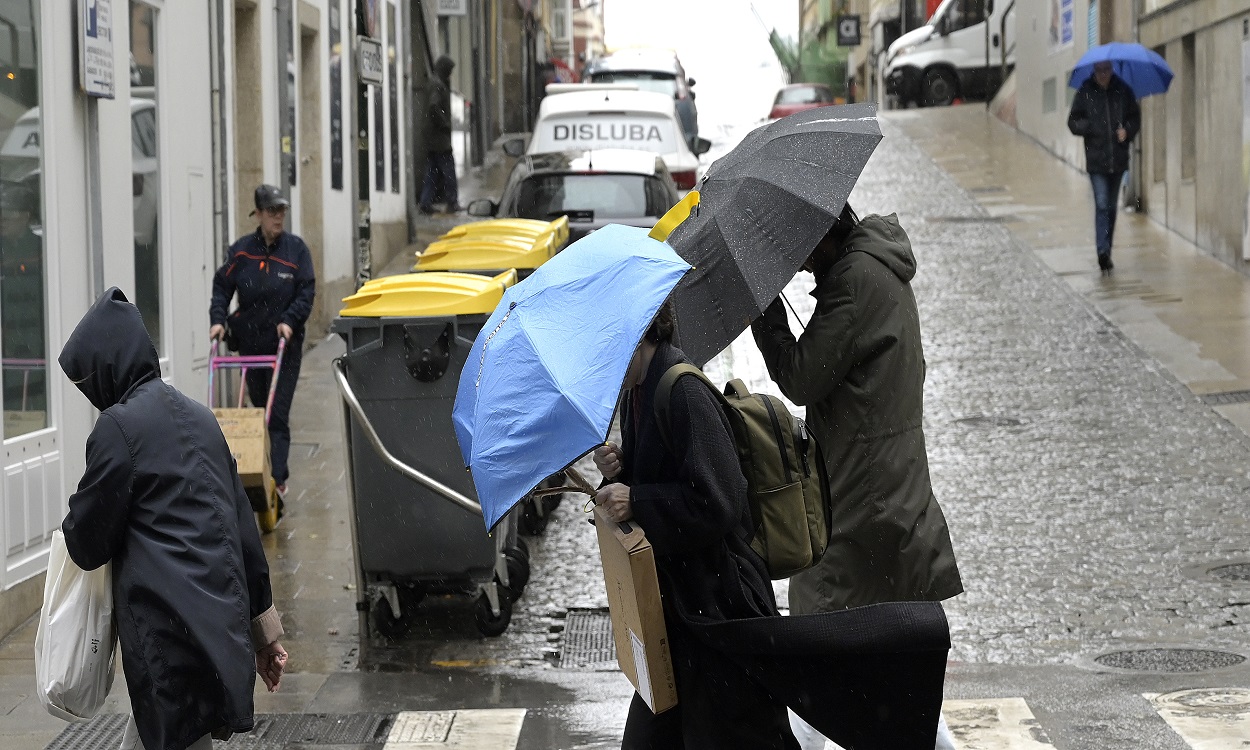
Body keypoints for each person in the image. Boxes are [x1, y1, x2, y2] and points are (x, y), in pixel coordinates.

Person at [751, 205, 964, 750]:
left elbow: (801, 376)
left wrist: (764, 308)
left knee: (817, 643)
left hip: (859, 498)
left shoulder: (853, 279)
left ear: (824, 236)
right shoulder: (875, 268)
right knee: (890, 673)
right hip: (887, 485)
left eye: (800, 252)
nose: (799, 268)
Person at [59, 288, 287, 750]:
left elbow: (88, 543)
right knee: (177, 736)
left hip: (167, 632)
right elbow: (244, 530)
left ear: (106, 368)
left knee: (170, 731)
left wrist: (71, 526)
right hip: (218, 628)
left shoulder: (118, 429)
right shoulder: (201, 418)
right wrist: (265, 634)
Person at [593, 304, 800, 750]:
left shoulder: (683, 390)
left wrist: (638, 500)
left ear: (637, 334)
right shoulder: (637, 391)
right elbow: (663, 474)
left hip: (717, 609)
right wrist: (619, 472)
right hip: (676, 613)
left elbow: (718, 501)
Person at [211, 184, 315, 502]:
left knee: (276, 414)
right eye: (272, 211)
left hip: (284, 346)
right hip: (251, 345)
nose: (278, 217)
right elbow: (221, 285)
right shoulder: (241, 251)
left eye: (281, 210)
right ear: (258, 214)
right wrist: (218, 319)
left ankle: (277, 479)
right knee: (257, 412)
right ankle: (253, 469)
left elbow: (307, 290)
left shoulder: (296, 251)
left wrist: (290, 320)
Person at [1067, 60, 1140, 273]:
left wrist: (1127, 131)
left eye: (1106, 70)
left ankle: (1107, 248)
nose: (1103, 74)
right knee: (1101, 204)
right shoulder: (1086, 91)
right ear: (1094, 71)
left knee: (1110, 206)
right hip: (1096, 160)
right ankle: (1102, 251)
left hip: (1117, 159)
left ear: (1112, 70)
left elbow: (1134, 118)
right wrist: (1089, 127)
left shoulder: (1123, 90)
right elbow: (1073, 121)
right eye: (1099, 70)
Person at [418, 55, 460, 215]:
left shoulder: (433, 83)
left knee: (432, 170)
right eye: (449, 71)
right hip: (438, 137)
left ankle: (425, 202)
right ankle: (452, 201)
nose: (450, 74)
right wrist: (444, 123)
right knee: (448, 168)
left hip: (431, 136)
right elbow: (433, 107)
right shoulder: (438, 85)